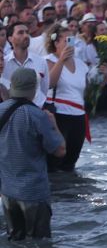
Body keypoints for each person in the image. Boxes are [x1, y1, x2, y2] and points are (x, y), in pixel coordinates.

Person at [1, 66, 65, 239]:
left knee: (16, 242)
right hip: (34, 193)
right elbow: (59, 150)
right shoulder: (37, 115)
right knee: (39, 246)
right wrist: (54, 124)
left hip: (8, 193)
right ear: (34, 89)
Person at [43, 27, 88, 171]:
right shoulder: (48, 60)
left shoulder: (81, 64)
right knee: (55, 159)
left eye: (72, 40)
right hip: (59, 114)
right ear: (56, 43)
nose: (70, 44)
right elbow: (50, 84)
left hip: (78, 116)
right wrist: (61, 60)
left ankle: (70, 191)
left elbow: (85, 92)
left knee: (71, 160)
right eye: (66, 40)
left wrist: (103, 76)